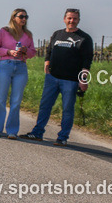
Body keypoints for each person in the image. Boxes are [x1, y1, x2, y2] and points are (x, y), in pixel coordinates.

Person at [21, 9, 93, 146]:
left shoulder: (84, 38)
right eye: (69, 18)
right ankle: (37, 133)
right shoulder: (57, 34)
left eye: (75, 18)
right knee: (45, 106)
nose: (71, 21)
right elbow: (49, 50)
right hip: (52, 78)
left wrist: (83, 79)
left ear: (78, 20)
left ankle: (62, 137)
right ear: (64, 19)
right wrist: (47, 62)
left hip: (71, 80)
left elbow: (87, 61)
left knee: (67, 109)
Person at [0, 9, 36, 138]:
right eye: (21, 16)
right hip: (5, 66)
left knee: (16, 101)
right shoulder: (4, 31)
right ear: (13, 17)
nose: (24, 19)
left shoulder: (28, 35)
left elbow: (33, 52)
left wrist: (25, 50)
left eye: (26, 17)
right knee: (0, 99)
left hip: (21, 68)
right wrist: (8, 52)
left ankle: (12, 131)